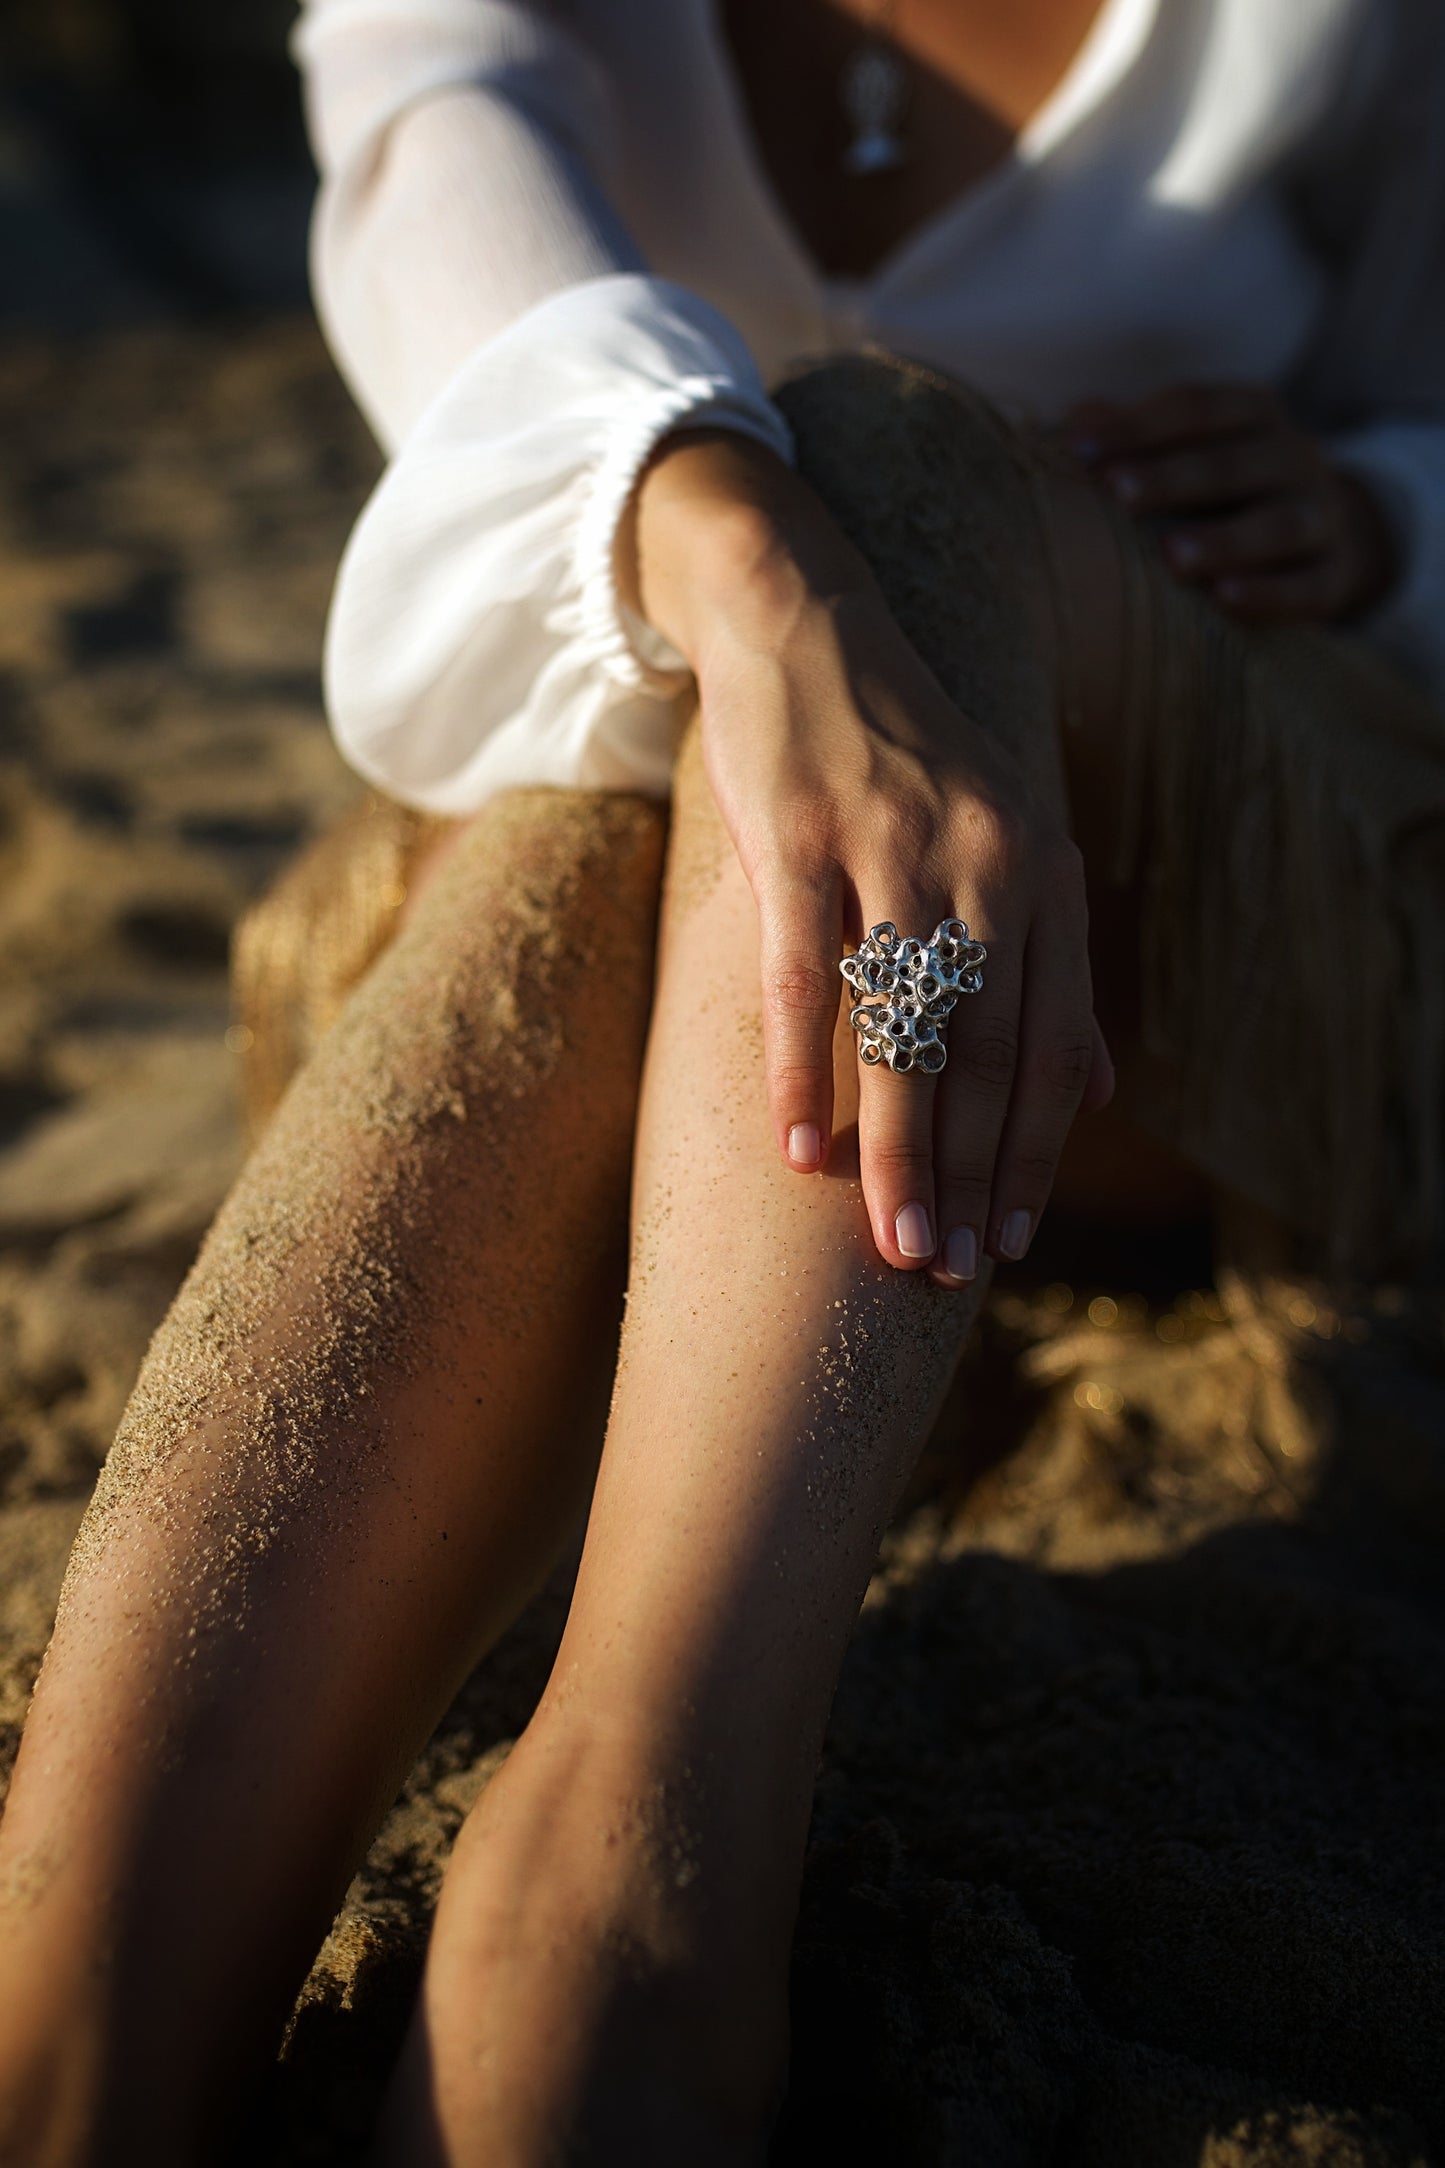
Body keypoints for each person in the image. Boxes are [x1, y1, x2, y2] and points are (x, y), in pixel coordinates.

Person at [2, 2, 1444, 2162]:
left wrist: (1390, 507)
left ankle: (571, 1905)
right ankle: (116, 2024)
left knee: (878, 456)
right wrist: (754, 575)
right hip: (655, 866)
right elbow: (426, 132)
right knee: (681, 681)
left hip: (1208, 947)